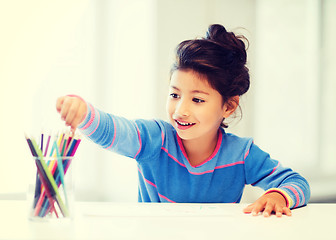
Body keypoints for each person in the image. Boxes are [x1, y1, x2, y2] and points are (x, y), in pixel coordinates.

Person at [56, 24, 310, 217]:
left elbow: (296, 183)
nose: (180, 110)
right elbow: (116, 131)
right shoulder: (155, 140)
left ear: (229, 106)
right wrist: (85, 115)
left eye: (197, 100)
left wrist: (279, 195)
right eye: (175, 95)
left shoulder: (241, 155)